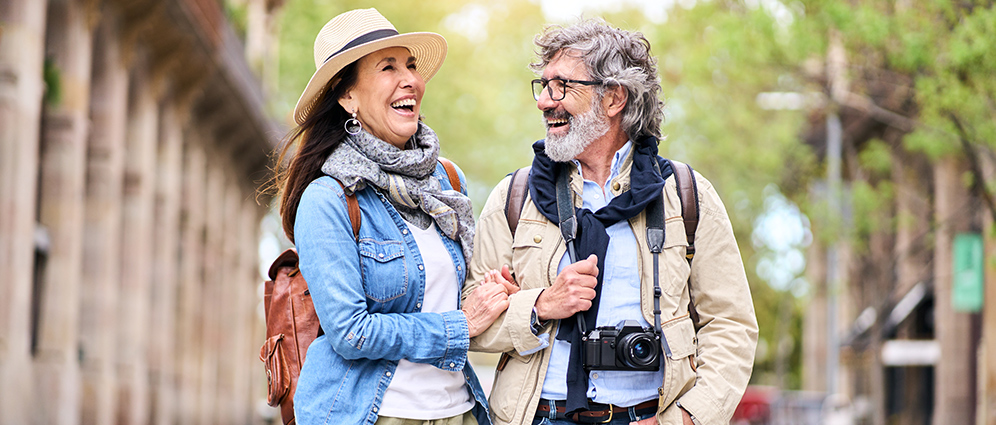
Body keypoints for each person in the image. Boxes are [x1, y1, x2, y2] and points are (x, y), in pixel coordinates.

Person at [465, 19, 758, 425]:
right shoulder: (515, 197)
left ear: (614, 98)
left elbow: (731, 325)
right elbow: (471, 324)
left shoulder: (688, 195)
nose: (544, 101)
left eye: (562, 86)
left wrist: (686, 420)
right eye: (543, 85)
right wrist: (541, 306)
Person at [273, 9, 514, 425]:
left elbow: (449, 294)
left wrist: (492, 293)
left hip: (459, 411)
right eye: (388, 67)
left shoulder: (446, 181)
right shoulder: (328, 199)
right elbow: (351, 332)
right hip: (371, 414)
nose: (411, 80)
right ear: (347, 96)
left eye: (411, 65)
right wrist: (460, 324)